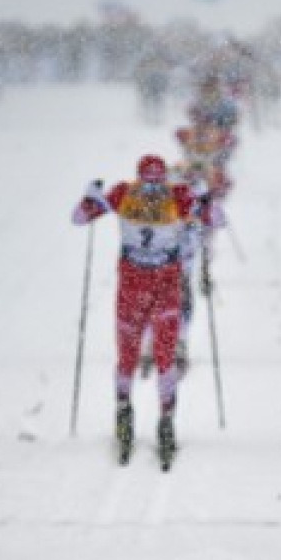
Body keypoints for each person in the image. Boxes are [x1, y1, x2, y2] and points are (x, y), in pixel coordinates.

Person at [71, 154, 216, 468]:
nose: (152, 191)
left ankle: (124, 412)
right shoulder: (177, 195)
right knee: (164, 357)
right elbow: (216, 220)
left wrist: (90, 197)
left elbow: (79, 218)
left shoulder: (124, 193)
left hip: (134, 288)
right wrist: (204, 198)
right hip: (163, 289)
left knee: (129, 357)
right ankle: (165, 421)